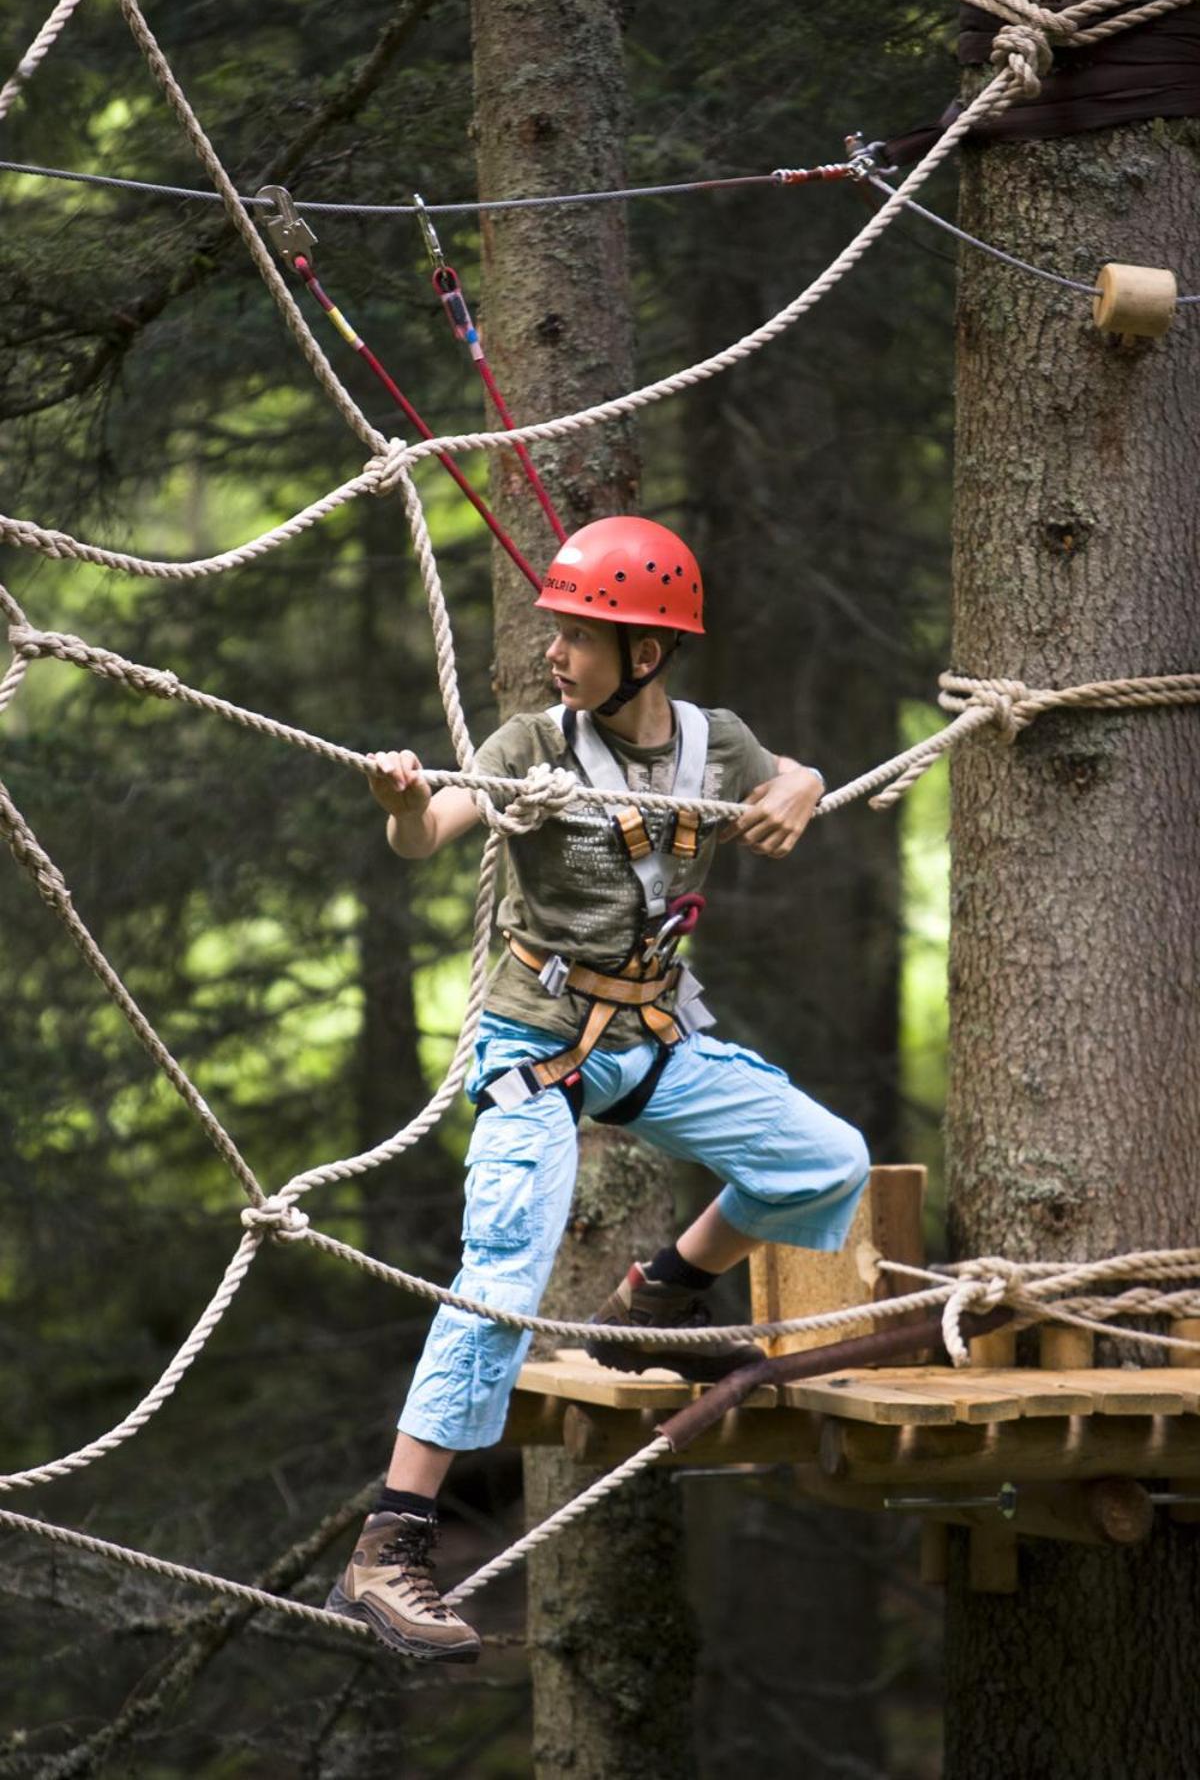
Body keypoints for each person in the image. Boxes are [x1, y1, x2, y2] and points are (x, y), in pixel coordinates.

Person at [325, 517, 870, 1662]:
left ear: (648, 655)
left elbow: (784, 784)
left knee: (824, 1159)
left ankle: (653, 1303)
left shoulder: (718, 748)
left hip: (651, 1034)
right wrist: (396, 802)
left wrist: (805, 786)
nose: (556, 656)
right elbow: (432, 829)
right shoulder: (531, 743)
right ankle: (389, 1545)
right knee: (506, 1267)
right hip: (535, 1042)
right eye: (556, 632)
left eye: (580, 637)